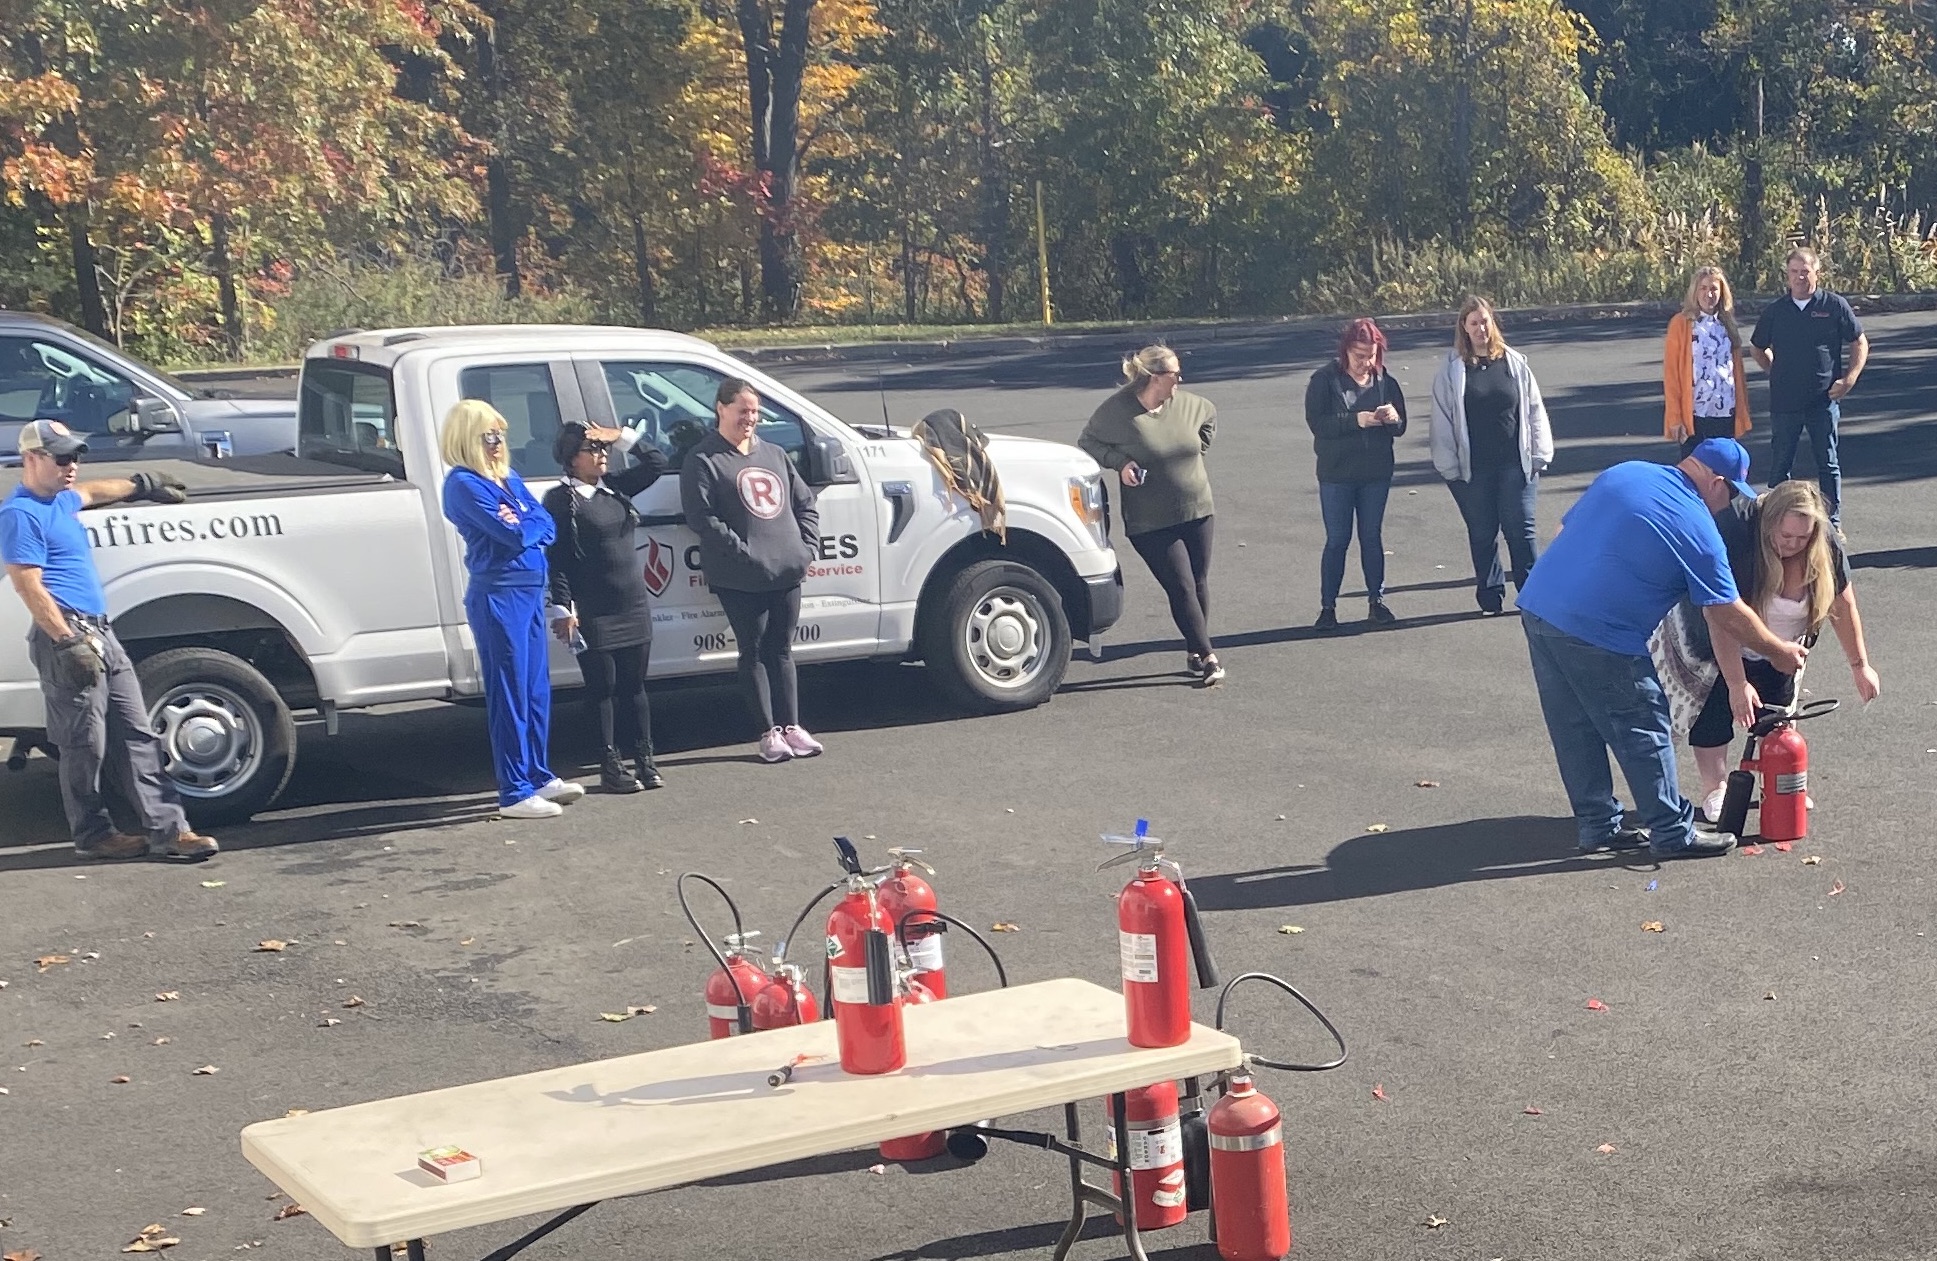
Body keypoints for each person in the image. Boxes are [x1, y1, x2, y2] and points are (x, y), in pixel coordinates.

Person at [1515, 438, 1807, 860]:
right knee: (1643, 722)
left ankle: (1597, 824)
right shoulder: (1695, 522)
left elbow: (1563, 531)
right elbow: (1725, 610)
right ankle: (1672, 830)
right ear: (1716, 482)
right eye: (1730, 494)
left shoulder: (1627, 472)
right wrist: (1778, 650)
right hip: (1601, 630)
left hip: (1540, 607)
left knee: (1574, 725)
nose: (1725, 506)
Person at [0, 420, 217, 860]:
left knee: (137, 732)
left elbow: (96, 492)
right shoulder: (19, 514)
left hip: (100, 630)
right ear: (31, 459)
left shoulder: (59, 499)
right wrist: (66, 642)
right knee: (85, 744)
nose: (72, 465)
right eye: (61, 457)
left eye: (75, 456)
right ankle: (93, 834)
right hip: (66, 634)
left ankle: (170, 832)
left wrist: (142, 484)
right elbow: (27, 585)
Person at [1671, 480, 1880, 822]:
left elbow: (1844, 604)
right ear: (1769, 523)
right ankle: (1715, 788)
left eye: (1803, 538)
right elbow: (1720, 616)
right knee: (1715, 714)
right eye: (1786, 536)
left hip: (1783, 651)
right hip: (1721, 639)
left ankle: (1783, 781)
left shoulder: (1823, 546)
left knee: (1778, 718)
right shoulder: (1738, 537)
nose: (1793, 545)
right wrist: (1737, 684)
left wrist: (1860, 665)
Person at [439, 399, 583, 819]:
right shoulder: (464, 484)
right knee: (510, 693)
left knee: (535, 690)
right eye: (489, 435)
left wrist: (526, 524)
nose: (499, 442)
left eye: (501, 433)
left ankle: (538, 775)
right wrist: (526, 525)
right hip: (498, 597)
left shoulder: (507, 479)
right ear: (469, 438)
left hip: (528, 592)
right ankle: (514, 790)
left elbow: (545, 525)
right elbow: (512, 536)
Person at [680, 378, 825, 763]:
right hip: (739, 576)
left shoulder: (775, 454)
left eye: (755, 412)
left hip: (787, 571)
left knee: (782, 649)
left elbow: (805, 503)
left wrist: (806, 548)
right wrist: (745, 554)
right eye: (743, 410)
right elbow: (702, 517)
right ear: (721, 408)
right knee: (754, 651)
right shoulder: (704, 458)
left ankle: (792, 726)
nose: (750, 419)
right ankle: (768, 733)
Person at [1078, 345, 1224, 684]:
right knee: (1182, 585)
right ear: (1156, 378)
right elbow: (1089, 441)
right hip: (1151, 519)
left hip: (1197, 507)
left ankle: (1194, 650)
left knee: (1198, 581)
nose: (1180, 379)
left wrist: (1193, 452)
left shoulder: (1189, 404)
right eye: (1175, 374)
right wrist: (1120, 463)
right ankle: (1208, 656)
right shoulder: (1117, 411)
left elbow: (1209, 419)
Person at [543, 421, 671, 793]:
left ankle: (645, 760)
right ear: (571, 458)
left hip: (632, 603)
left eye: (604, 450)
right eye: (593, 450)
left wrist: (622, 437)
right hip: (594, 608)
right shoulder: (560, 499)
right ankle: (610, 764)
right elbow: (559, 558)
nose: (602, 457)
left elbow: (656, 463)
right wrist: (563, 607)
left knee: (635, 686)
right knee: (604, 687)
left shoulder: (613, 488)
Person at [1429, 297, 1553, 615]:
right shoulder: (1452, 370)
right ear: (1464, 328)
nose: (1481, 328)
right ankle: (1490, 594)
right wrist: (1448, 466)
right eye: (1474, 323)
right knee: (1483, 532)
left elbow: (1534, 409)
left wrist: (1540, 454)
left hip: (1515, 462)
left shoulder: (1513, 362)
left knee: (1520, 530)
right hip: (1474, 468)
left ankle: (1533, 596)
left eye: (1485, 321)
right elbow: (1442, 419)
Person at [1749, 247, 1867, 524]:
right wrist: (1775, 370)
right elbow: (1757, 348)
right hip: (1785, 403)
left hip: (1823, 401)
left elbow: (1859, 341)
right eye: (1794, 272)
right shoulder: (1776, 311)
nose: (1800, 277)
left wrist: (1849, 379)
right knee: (1780, 465)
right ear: (1787, 275)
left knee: (1828, 464)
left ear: (1817, 273)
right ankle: (1776, 521)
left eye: (1805, 271)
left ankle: (1832, 523)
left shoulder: (1834, 306)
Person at [1304, 318, 1406, 631]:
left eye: (1372, 355)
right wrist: (1355, 420)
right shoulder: (1324, 380)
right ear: (1346, 351)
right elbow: (1318, 425)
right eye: (1360, 355)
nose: (1366, 362)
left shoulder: (1384, 380)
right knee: (1337, 539)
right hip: (1337, 474)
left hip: (1376, 472)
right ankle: (1327, 607)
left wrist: (1392, 417)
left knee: (1371, 536)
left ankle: (1376, 601)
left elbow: (1400, 428)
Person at [1663, 266, 1752, 457]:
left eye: (1714, 289)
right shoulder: (1681, 323)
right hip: (1695, 415)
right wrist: (1675, 417)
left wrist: (1741, 411)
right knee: (1694, 472)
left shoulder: (1727, 323)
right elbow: (1671, 376)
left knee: (1723, 473)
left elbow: (1737, 373)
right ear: (1695, 291)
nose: (1708, 294)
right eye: (1703, 288)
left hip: (1725, 412)